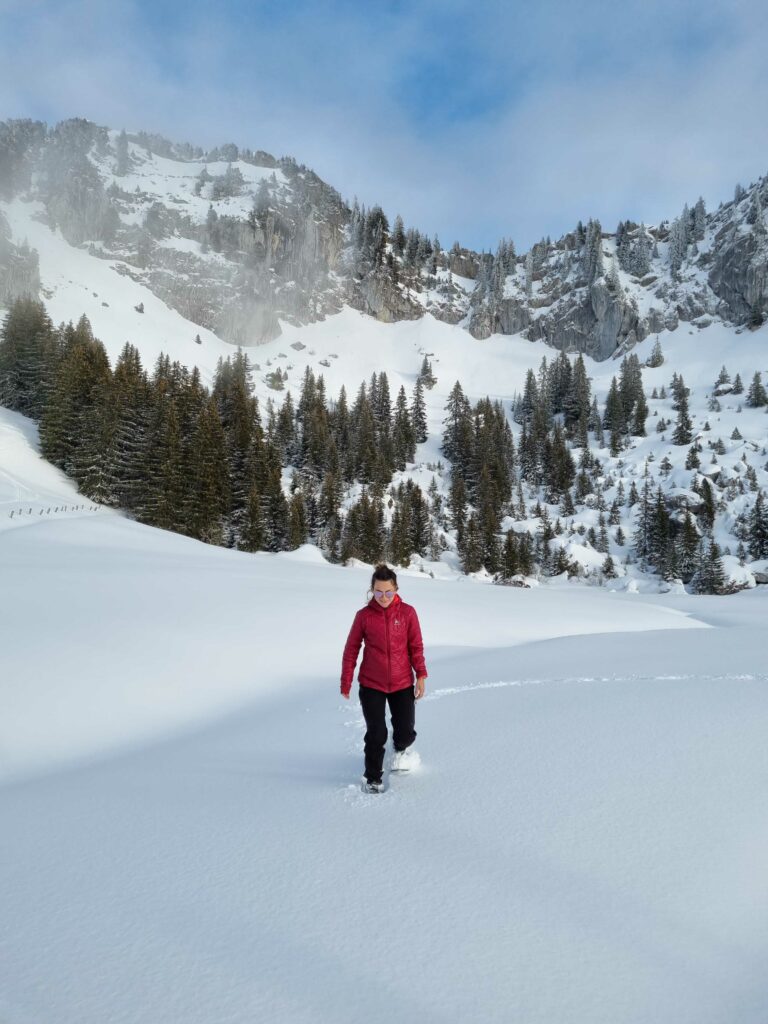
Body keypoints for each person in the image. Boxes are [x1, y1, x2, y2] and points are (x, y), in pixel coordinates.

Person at [341, 564, 428, 794]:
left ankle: (400, 749)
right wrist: (346, 680)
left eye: (389, 592)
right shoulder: (364, 616)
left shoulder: (408, 613)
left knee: (406, 732)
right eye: (379, 592)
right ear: (372, 590)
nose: (384, 597)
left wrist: (421, 675)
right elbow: (351, 649)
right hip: (372, 684)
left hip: (401, 683)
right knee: (376, 733)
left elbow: (415, 647)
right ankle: (372, 778)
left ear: (396, 589)